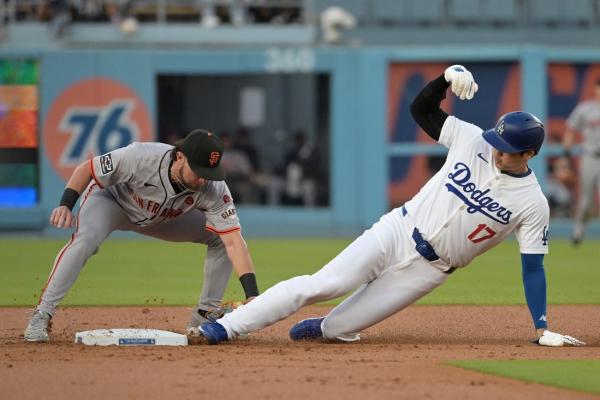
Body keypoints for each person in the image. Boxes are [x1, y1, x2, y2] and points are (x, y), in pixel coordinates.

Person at [196, 65, 585, 347]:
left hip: (429, 271)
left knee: (337, 330)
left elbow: (533, 267)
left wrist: (542, 326)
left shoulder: (533, 203)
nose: (498, 153)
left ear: (531, 153)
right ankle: (230, 326)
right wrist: (445, 80)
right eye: (497, 144)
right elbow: (421, 110)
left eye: (509, 151)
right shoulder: (472, 140)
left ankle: (331, 326)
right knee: (325, 284)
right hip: (397, 230)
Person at [24, 130, 260, 342]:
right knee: (86, 239)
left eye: (210, 172)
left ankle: (204, 316)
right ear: (180, 157)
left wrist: (252, 296)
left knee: (220, 237)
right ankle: (42, 313)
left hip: (164, 218)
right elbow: (87, 168)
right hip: (113, 203)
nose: (204, 178)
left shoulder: (213, 188)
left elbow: (234, 242)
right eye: (199, 171)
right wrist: (66, 205)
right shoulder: (140, 157)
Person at [562, 78, 600, 245]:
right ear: (596, 88)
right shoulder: (585, 109)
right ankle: (578, 230)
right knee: (586, 201)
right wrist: (567, 154)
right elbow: (570, 130)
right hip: (590, 157)